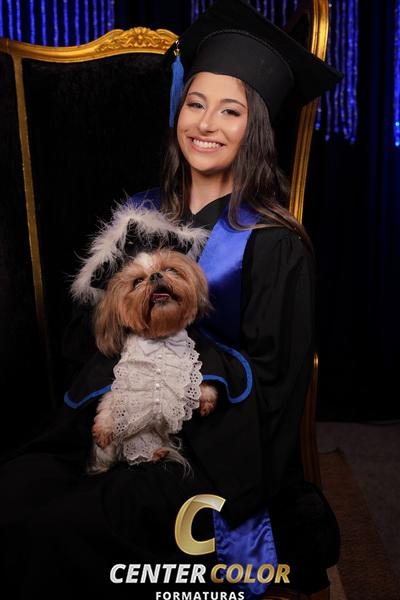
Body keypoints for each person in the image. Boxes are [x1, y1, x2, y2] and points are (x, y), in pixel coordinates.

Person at [0, 0, 342, 598]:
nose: (206, 124)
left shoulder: (273, 243)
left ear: (255, 129)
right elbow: (83, 342)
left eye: (230, 110)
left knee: (59, 528)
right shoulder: (139, 216)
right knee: (14, 491)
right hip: (112, 422)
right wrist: (116, 327)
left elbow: (274, 388)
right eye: (195, 103)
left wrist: (182, 370)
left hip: (208, 454)